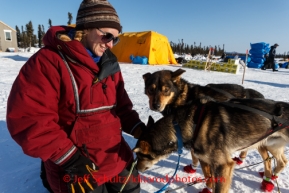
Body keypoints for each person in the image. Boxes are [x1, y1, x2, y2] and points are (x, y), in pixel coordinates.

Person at [6, 0, 145, 193]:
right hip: (77, 164)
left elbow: (121, 107)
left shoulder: (109, 64)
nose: (111, 45)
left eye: (116, 39)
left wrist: (140, 130)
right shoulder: (48, 62)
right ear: (86, 29)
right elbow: (29, 120)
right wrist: (69, 158)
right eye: (107, 36)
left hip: (115, 156)